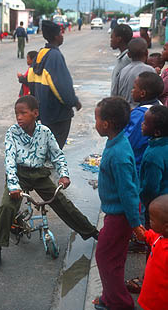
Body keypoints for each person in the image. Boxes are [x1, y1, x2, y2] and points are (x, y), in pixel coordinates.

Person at [0, 95, 99, 274]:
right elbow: (9, 160)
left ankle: (92, 232)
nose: (19, 117)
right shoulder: (12, 133)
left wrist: (64, 175)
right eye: (17, 113)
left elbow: (57, 155)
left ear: (35, 113)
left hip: (39, 174)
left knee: (62, 202)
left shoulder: (45, 132)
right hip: (19, 175)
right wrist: (13, 185)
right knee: (7, 207)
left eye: (23, 113)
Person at [93, 97, 142, 310]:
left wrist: (135, 223)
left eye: (96, 119)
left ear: (107, 124)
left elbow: (128, 190)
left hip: (120, 216)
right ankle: (110, 295)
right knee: (115, 258)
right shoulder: (117, 141)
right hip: (118, 214)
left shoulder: (118, 153)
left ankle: (119, 303)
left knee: (104, 257)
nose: (95, 123)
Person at [124, 72, 163, 254]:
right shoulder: (159, 108)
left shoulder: (140, 114)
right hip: (146, 164)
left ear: (142, 93)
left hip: (138, 166)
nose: (132, 90)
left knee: (139, 205)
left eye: (134, 88)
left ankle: (141, 239)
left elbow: (129, 141)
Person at [28, 20, 82, 149]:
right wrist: (74, 101)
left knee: (46, 146)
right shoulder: (55, 56)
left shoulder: (41, 53)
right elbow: (62, 86)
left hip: (44, 111)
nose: (62, 36)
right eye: (61, 33)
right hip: (58, 113)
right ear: (56, 37)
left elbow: (31, 79)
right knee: (55, 149)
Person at [136, 195, 168, 310]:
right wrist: (145, 234)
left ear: (166, 227)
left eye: (152, 220)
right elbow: (153, 237)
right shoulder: (161, 236)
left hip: (160, 299)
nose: (149, 221)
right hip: (151, 292)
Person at [140, 105, 168, 229]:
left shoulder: (153, 155)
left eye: (145, 123)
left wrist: (145, 203)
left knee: (154, 233)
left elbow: (150, 187)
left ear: (156, 132)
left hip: (156, 205)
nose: (141, 124)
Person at [113, 38, 155, 107]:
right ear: (147, 52)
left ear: (128, 54)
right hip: (142, 113)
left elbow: (114, 93)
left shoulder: (123, 71)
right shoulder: (150, 70)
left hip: (124, 111)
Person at [110, 24, 133, 96]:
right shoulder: (122, 57)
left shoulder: (128, 58)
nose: (111, 40)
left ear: (119, 39)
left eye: (112, 37)